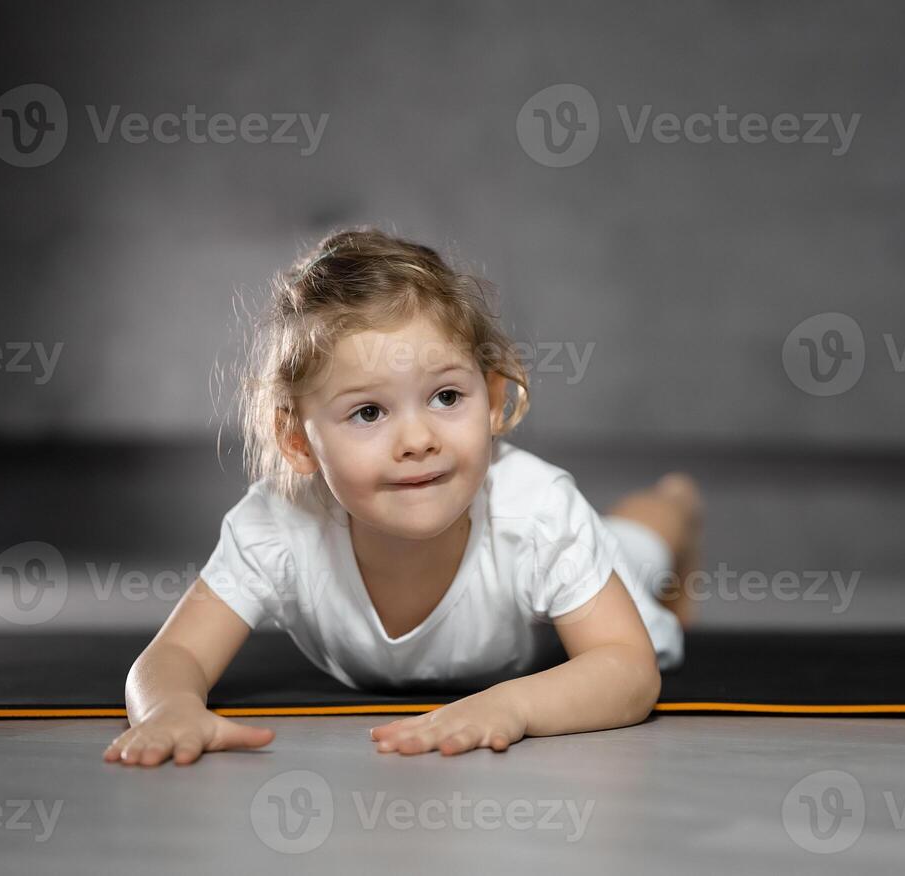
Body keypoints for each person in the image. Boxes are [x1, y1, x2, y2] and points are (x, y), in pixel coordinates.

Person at [103, 228, 702, 766]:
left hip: (561, 596)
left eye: (446, 397)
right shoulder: (275, 525)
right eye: (368, 412)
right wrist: (169, 709)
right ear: (297, 440)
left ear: (492, 399)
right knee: (621, 539)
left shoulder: (537, 510)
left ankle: (677, 502)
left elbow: (626, 669)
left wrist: (511, 708)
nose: (417, 440)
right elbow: (170, 655)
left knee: (633, 548)